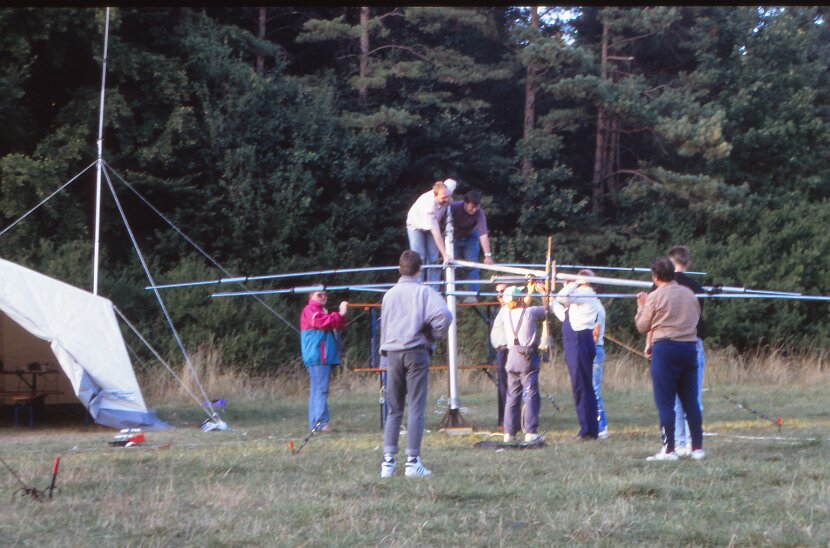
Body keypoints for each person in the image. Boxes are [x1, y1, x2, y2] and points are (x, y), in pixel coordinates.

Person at [379, 250, 452, 478]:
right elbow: (445, 316)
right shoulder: (424, 292)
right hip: (415, 352)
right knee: (416, 408)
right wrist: (432, 335)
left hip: (392, 353)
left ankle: (388, 463)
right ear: (420, 270)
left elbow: (385, 326)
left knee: (394, 409)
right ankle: (412, 462)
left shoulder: (389, 295)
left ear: (399, 269)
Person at [635, 256, 705, 461]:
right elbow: (697, 318)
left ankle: (669, 450)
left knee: (665, 401)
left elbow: (642, 326)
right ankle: (697, 448)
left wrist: (641, 306)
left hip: (665, 348)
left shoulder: (655, 296)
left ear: (656, 277)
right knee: (690, 400)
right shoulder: (690, 294)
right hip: (689, 348)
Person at [494, 282, 547, 443]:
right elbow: (547, 311)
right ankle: (530, 431)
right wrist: (544, 293)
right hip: (526, 356)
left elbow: (522, 306)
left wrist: (529, 291)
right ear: (520, 299)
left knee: (512, 395)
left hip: (511, 356)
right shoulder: (530, 313)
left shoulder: (505, 313)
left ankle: (509, 433)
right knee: (530, 392)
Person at [667, 245, 707, 457]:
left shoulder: (661, 287)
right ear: (688, 263)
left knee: (674, 398)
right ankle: (693, 444)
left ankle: (681, 443)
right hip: (693, 343)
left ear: (670, 261)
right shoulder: (696, 287)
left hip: (671, 344)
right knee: (692, 397)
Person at [552, 273, 603, 440]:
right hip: (576, 341)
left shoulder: (586, 293)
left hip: (580, 341)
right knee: (580, 386)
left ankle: (588, 431)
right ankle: (587, 429)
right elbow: (562, 312)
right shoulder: (580, 297)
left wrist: (573, 282)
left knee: (581, 386)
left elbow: (562, 297)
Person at [300, 287, 348, 432]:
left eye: (325, 294)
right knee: (321, 390)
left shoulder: (321, 311)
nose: (323, 297)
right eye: (319, 294)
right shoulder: (310, 309)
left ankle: (316, 423)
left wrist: (341, 316)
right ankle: (321, 423)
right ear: (311, 296)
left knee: (317, 390)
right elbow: (322, 323)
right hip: (318, 356)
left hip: (321, 356)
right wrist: (339, 313)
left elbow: (339, 325)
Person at [405, 179, 456, 283]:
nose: (446, 199)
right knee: (419, 257)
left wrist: (450, 199)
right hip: (415, 225)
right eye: (443, 198)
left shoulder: (446, 191)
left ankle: (433, 289)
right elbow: (437, 234)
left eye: (447, 196)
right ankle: (417, 286)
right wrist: (445, 255)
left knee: (434, 257)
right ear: (435, 195)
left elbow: (452, 182)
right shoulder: (429, 207)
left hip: (432, 225)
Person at [578, 270, 609, 439]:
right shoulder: (590, 304)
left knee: (594, 389)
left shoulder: (595, 307)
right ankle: (591, 424)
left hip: (595, 350)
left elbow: (595, 335)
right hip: (593, 349)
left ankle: (601, 425)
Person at [450, 190, 494, 302]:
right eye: (472, 207)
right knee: (453, 265)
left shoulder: (479, 213)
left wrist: (487, 255)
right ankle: (454, 294)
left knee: (472, 264)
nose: (474, 210)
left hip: (470, 237)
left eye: (476, 207)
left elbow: (483, 235)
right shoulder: (454, 207)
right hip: (453, 238)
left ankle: (472, 294)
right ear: (465, 203)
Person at [489, 282, 509, 432]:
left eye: (502, 291)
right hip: (500, 351)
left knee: (506, 387)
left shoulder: (509, 308)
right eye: (497, 292)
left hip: (507, 351)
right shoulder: (502, 309)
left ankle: (506, 421)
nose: (499, 295)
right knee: (502, 387)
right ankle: (503, 420)